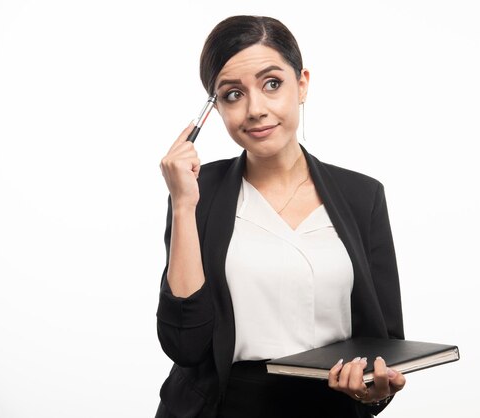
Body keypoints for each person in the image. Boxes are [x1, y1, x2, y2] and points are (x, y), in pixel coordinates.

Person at [155, 15, 406, 418]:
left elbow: (386, 345)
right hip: (223, 409)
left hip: (330, 409)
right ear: (214, 107)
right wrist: (183, 204)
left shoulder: (363, 197)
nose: (255, 109)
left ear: (301, 84)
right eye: (233, 94)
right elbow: (184, 345)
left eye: (272, 84)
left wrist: (374, 391)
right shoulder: (198, 192)